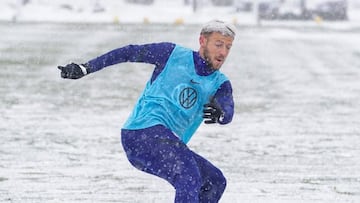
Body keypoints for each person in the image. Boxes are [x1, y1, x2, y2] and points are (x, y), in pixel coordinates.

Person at [57, 20, 235, 203]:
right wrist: (86, 68)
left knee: (214, 181)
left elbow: (227, 109)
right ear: (202, 41)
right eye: (218, 44)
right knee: (188, 176)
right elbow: (130, 52)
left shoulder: (220, 83)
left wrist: (221, 113)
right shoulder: (171, 54)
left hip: (168, 143)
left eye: (228, 47)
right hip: (141, 133)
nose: (223, 52)